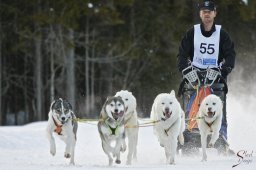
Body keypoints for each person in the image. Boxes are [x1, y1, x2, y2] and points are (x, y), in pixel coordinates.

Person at [177, 1, 235, 153]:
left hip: (215, 79)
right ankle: (190, 140)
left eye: (209, 11)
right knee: (191, 109)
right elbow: (182, 55)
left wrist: (223, 71)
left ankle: (222, 139)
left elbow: (230, 56)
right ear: (200, 14)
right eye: (204, 11)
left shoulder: (222, 35)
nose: (207, 13)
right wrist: (186, 70)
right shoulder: (192, 33)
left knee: (219, 110)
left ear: (215, 13)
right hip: (194, 78)